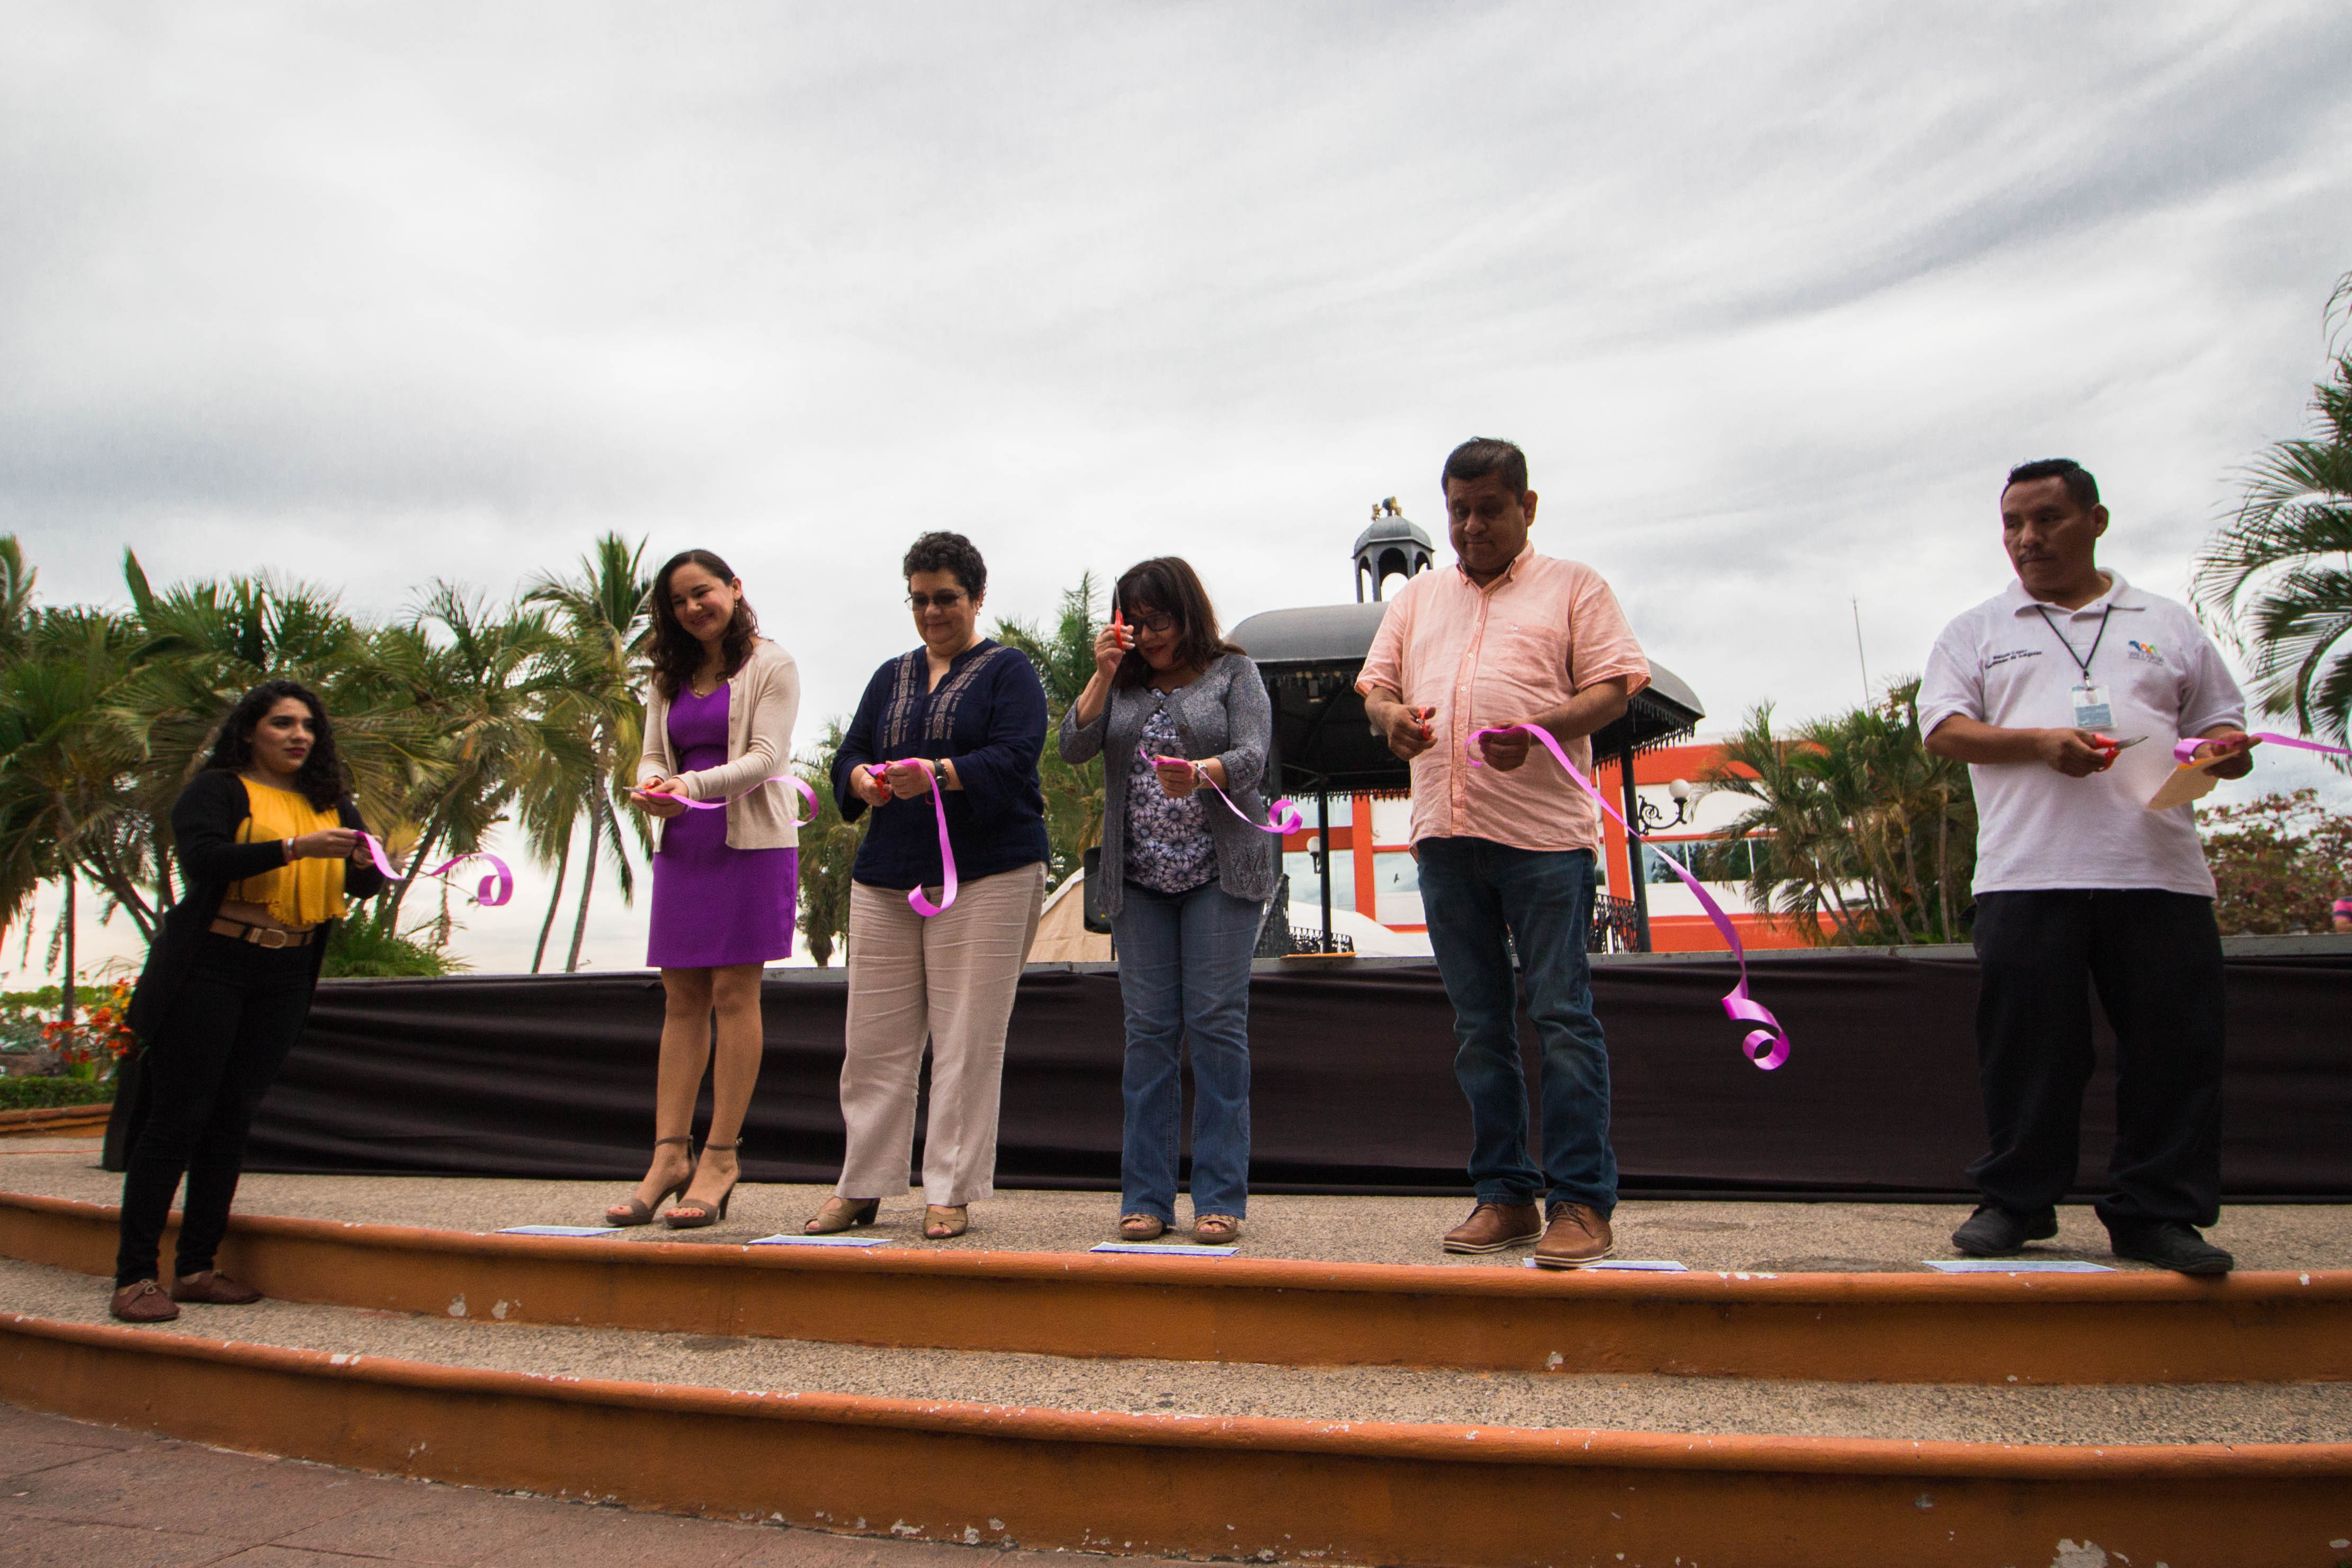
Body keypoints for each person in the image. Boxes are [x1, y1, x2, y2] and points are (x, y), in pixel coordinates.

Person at [1921, 459, 2253, 1275]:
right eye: (2012, 525)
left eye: (2047, 520)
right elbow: (1943, 730)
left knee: (2174, 1049)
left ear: (2095, 521)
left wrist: (2222, 752)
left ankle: (2158, 1213)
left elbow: (2225, 729)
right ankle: (2017, 1202)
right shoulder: (1976, 631)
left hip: (2159, 871)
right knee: (2030, 1048)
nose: (2027, 540)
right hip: (2026, 871)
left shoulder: (2167, 623)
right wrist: (2039, 743)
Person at [1357, 438, 1651, 1268]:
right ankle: (1505, 1195)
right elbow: (1377, 689)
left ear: (1528, 505)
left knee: (1561, 1018)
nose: (1472, 525)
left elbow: (1612, 685)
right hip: (1445, 837)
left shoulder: (1575, 586)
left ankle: (1582, 1204)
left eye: (1490, 508)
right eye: (1459, 511)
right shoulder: (1415, 601)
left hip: (1544, 841)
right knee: (1479, 1026)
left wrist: (1541, 728)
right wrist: (1391, 721)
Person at [110, 680, 390, 1322]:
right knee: (177, 1118)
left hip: (288, 968)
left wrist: (373, 861)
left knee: (234, 1118)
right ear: (248, 732)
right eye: (282, 723)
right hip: (213, 964)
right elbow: (204, 861)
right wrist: (294, 848)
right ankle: (134, 1277)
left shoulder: (331, 803)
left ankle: (197, 1268)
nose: (299, 736)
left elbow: (364, 882)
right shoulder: (217, 790)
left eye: (309, 726)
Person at [806, 531, 1050, 1242]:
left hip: (990, 872)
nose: (932, 611)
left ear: (977, 597)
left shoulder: (1010, 672)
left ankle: (949, 1188)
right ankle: (863, 1183)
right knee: (874, 1042)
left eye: (946, 598)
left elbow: (1013, 757)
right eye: (919, 599)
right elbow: (851, 750)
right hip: (887, 874)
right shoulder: (891, 675)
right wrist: (857, 778)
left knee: (967, 1037)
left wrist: (939, 773)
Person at [1059, 558, 1276, 1245]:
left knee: (1215, 1026)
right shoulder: (1120, 685)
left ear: (1189, 613)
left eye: (1161, 619)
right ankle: (1146, 1196)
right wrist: (1102, 671)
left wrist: (1206, 772)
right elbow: (1072, 745)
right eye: (1136, 621)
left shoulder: (1232, 672)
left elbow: (1254, 751)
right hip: (1140, 881)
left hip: (1221, 875)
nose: (1149, 634)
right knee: (1149, 1035)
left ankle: (1220, 1197)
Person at [605, 549, 801, 1231]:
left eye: (704, 592)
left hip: (751, 843)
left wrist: (686, 787)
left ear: (734, 589)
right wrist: (656, 783)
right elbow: (655, 750)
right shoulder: (668, 674)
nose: (694, 607)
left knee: (731, 994)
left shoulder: (772, 664)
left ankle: (720, 1158)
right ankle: (667, 1157)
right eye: (680, 600)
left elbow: (766, 760)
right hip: (685, 843)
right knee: (681, 997)